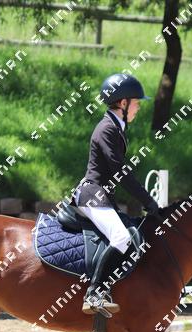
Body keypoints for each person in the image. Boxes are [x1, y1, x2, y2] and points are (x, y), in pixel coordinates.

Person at [71, 73, 161, 315]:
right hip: (92, 195)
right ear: (123, 103)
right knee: (121, 237)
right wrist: (148, 201)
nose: (138, 107)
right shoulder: (107, 129)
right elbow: (121, 173)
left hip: (102, 196)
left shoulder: (116, 128)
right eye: (136, 102)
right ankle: (94, 294)